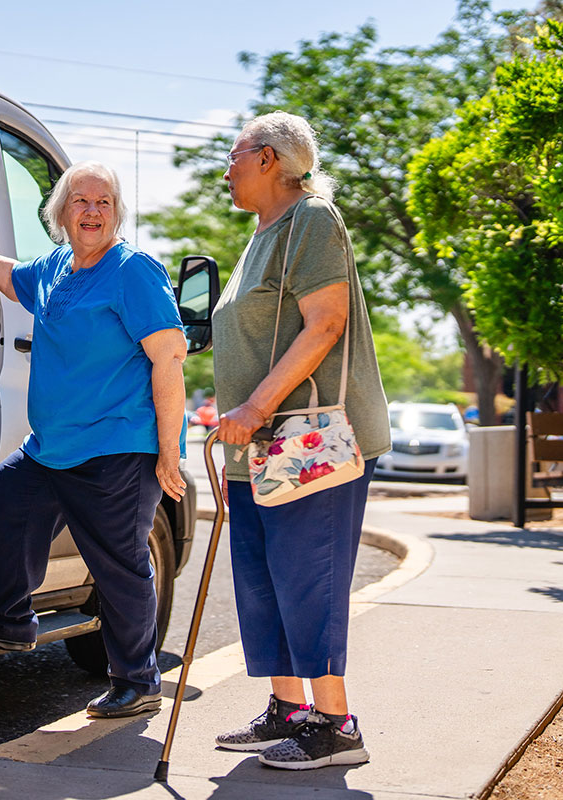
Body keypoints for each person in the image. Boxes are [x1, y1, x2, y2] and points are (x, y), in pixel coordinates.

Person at [0, 161, 188, 718]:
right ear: (60, 213)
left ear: (116, 214)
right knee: (8, 495)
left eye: (104, 203)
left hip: (117, 446)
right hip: (50, 448)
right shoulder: (54, 268)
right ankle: (12, 620)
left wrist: (169, 453)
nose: (92, 212)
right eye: (80, 202)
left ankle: (138, 682)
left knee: (119, 566)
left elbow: (168, 360)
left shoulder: (133, 271)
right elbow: (4, 273)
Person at [212, 112, 391, 769]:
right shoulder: (260, 233)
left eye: (232, 156)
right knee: (263, 582)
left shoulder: (312, 219)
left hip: (308, 442)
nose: (225, 169)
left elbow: (325, 325)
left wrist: (256, 405)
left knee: (306, 578)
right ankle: (288, 710)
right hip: (258, 445)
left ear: (267, 159)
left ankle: (337, 728)